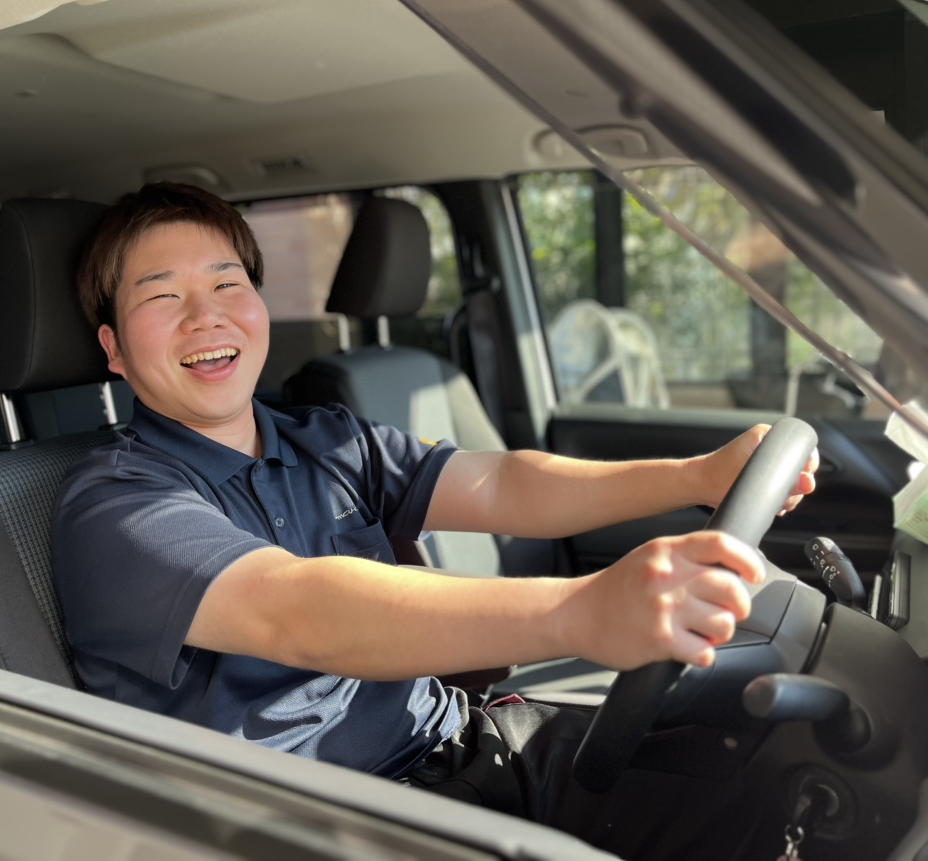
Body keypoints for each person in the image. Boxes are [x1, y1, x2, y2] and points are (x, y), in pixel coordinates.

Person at [52, 182, 816, 841]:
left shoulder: (325, 438)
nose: (205, 315)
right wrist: (582, 611)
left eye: (227, 284)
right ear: (113, 350)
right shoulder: (116, 504)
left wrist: (697, 476)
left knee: (762, 779)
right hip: (319, 824)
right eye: (162, 296)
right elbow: (296, 611)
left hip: (452, 744)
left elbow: (501, 486)